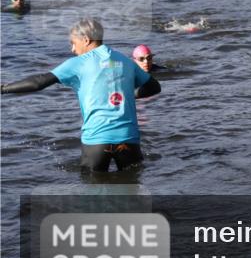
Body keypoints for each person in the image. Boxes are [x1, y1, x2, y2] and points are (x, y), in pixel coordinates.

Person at [0, 17, 161, 171]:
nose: (72, 49)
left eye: (73, 43)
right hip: (128, 139)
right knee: (131, 189)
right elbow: (154, 87)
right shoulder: (123, 60)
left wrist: (3, 88)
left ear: (86, 40)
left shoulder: (79, 63)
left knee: (91, 194)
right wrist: (129, 95)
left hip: (97, 140)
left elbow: (38, 82)